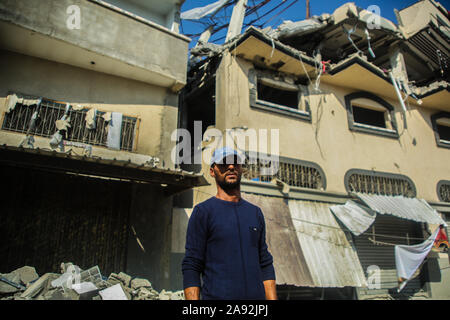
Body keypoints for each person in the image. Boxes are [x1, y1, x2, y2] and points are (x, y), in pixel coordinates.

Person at [182, 147, 277, 300]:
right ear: (213, 171)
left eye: (235, 163)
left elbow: (265, 262)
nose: (231, 167)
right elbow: (192, 265)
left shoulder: (255, 213)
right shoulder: (203, 212)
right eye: (224, 163)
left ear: (241, 169)